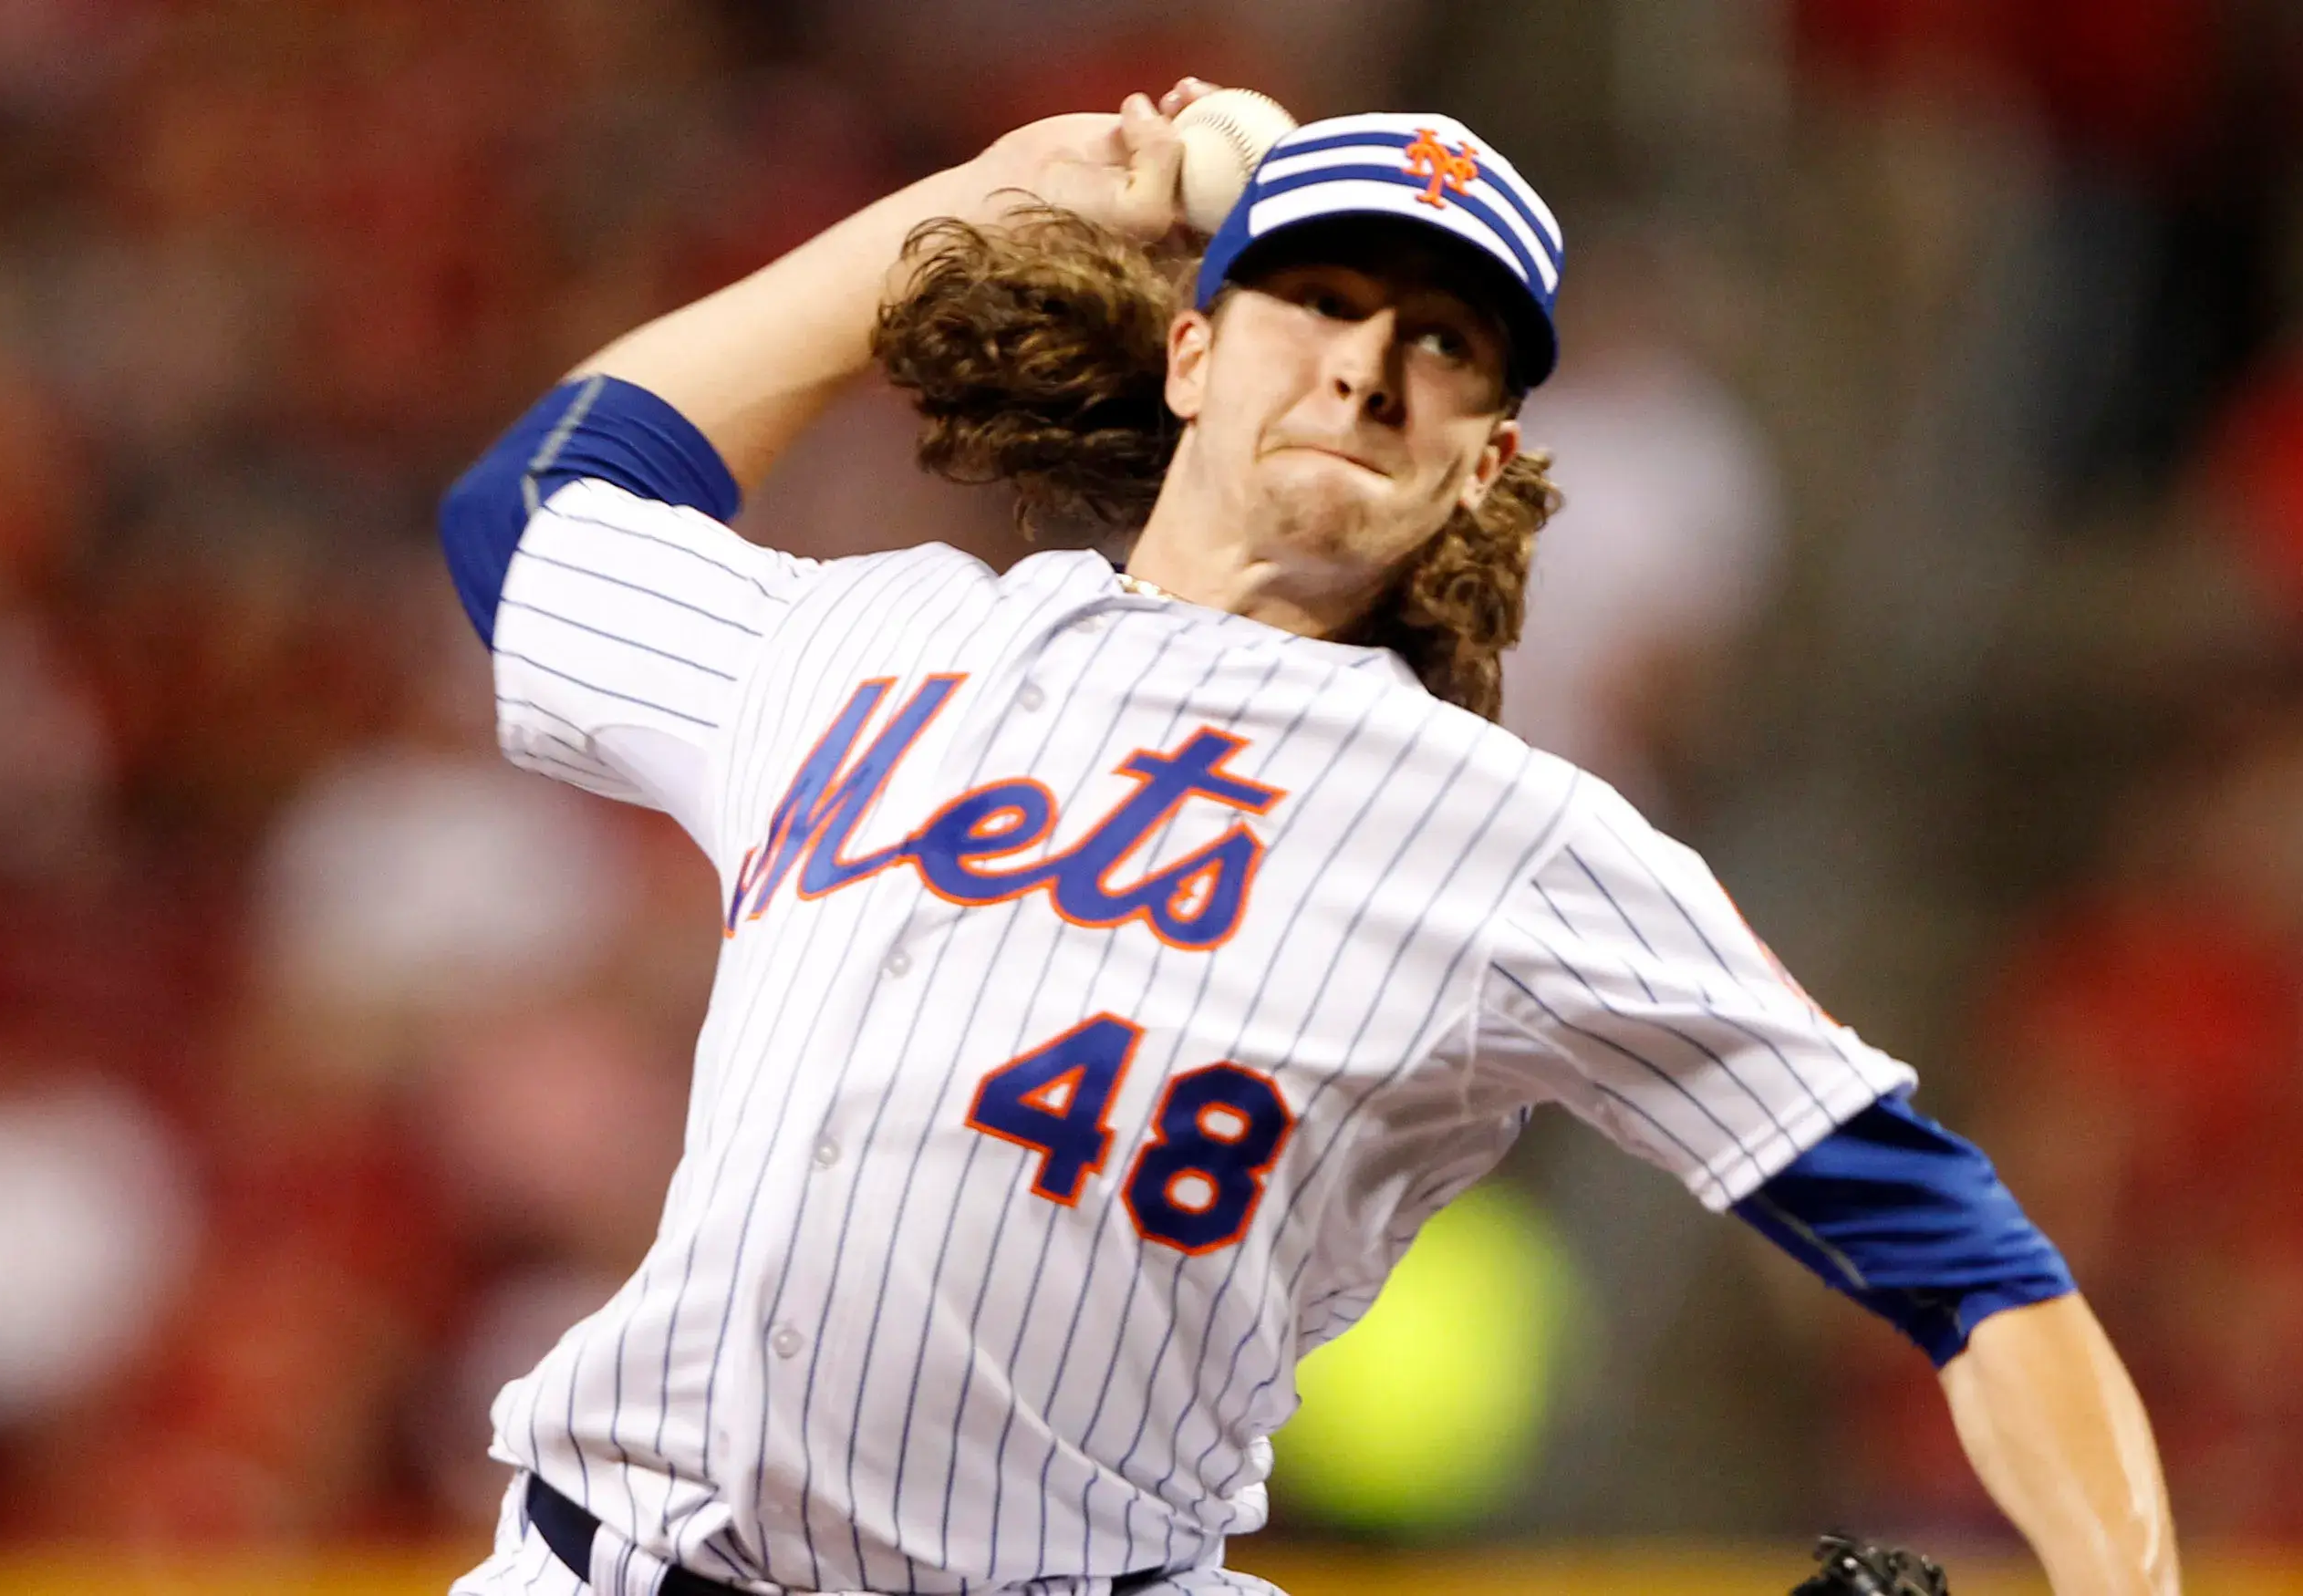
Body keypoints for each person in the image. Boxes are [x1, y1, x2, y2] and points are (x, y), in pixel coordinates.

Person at [435, 80, 2180, 1596]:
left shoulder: (1511, 842)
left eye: (1442, 342)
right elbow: (525, 517)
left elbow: (1953, 1243)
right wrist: (956, 214)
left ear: (1485, 460)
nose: (1365, 368)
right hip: (594, 1552)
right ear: (1191, 349)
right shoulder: (871, 639)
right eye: (1320, 300)